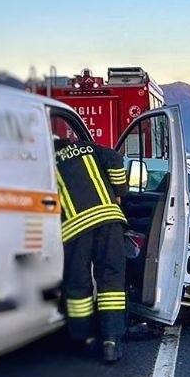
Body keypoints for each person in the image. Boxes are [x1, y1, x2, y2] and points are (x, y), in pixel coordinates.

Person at [53, 133, 130, 363]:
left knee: (78, 284)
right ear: (69, 141)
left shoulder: (47, 162)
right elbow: (115, 159)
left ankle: (84, 338)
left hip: (75, 229)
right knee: (111, 281)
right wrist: (120, 192)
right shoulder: (87, 148)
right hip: (109, 220)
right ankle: (111, 341)